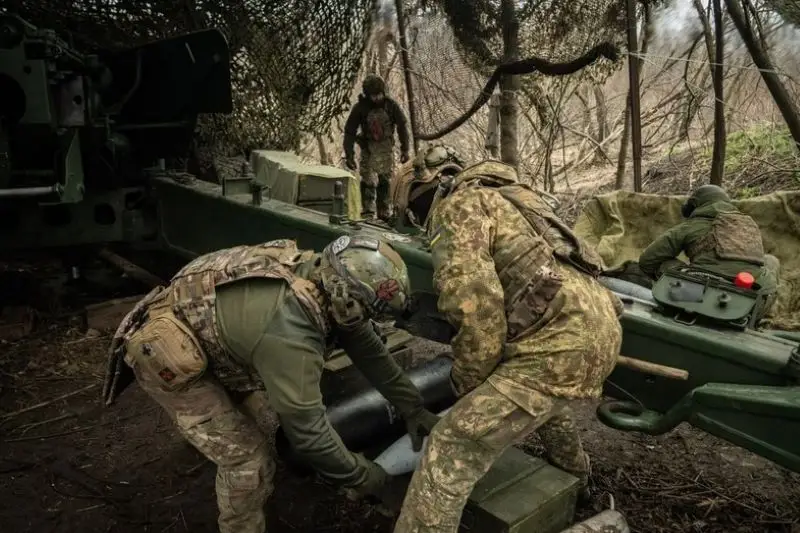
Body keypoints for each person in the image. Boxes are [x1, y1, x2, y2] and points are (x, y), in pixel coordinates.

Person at [102, 236, 439, 533]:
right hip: (167, 352)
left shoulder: (323, 277)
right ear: (345, 296)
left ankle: (209, 438)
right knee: (250, 463)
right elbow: (309, 434)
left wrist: (413, 407)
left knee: (249, 422)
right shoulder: (291, 334)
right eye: (365, 311)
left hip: (208, 332)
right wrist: (364, 476)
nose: (364, 320)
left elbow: (370, 351)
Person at [393, 161, 624, 533]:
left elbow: (476, 310)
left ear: (429, 189)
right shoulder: (519, 201)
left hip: (556, 343)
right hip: (600, 328)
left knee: (453, 444)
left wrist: (465, 385)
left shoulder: (458, 206)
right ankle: (578, 483)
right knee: (543, 401)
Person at [638, 184, 780, 312]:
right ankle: (761, 319)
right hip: (751, 302)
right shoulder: (749, 225)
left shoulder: (691, 225)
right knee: (771, 261)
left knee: (663, 263)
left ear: (696, 204)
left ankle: (676, 303)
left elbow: (647, 260)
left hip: (696, 294)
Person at [343, 74, 410, 221]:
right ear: (367, 96)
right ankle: (367, 211)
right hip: (368, 147)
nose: (377, 98)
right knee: (367, 180)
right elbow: (350, 131)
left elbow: (402, 126)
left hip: (385, 148)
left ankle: (384, 211)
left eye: (379, 95)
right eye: (373, 96)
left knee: (385, 180)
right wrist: (349, 155)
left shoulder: (390, 105)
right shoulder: (360, 108)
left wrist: (405, 149)